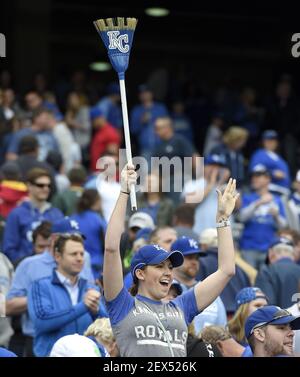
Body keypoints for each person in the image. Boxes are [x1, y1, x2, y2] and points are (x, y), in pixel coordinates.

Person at [102, 164, 238, 357]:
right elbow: (111, 248)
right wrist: (124, 190)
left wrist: (223, 220)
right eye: (159, 266)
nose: (168, 272)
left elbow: (226, 270)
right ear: (140, 273)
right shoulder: (122, 304)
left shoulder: (181, 306)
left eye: (170, 266)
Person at [5, 218, 94, 357]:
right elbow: (9, 306)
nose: (78, 256)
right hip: (42, 343)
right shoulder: (30, 264)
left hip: (80, 344)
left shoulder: (84, 258)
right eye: (69, 237)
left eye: (77, 237)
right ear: (53, 239)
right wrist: (42, 297)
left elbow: (90, 293)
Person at [28, 233, 103, 356]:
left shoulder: (90, 288)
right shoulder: (40, 286)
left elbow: (106, 324)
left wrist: (96, 311)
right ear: (57, 256)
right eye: (74, 254)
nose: (79, 258)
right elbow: (42, 321)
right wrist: (83, 306)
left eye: (82, 254)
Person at [3, 168, 64, 265]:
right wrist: (24, 265)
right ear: (29, 186)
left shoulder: (56, 214)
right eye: (40, 185)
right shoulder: (16, 214)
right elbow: (9, 248)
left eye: (48, 185)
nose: (46, 189)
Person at [171, 236, 227, 337]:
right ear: (175, 260)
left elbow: (223, 330)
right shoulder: (165, 289)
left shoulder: (209, 289)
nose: (194, 262)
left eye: (197, 258)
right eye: (189, 257)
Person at [239, 164, 287, 269]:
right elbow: (242, 218)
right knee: (249, 279)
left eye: (258, 176)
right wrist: (258, 203)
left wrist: (276, 215)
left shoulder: (277, 200)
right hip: (248, 246)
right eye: (253, 176)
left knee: (267, 280)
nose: (254, 179)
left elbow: (284, 226)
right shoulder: (248, 197)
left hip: (269, 247)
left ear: (268, 179)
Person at [197, 227, 251, 315]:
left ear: (204, 245)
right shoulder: (238, 268)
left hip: (213, 315)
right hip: (237, 316)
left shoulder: (201, 263)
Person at [71, 189, 107, 279]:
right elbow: (108, 242)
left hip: (74, 263)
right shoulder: (98, 220)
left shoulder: (72, 219)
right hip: (96, 267)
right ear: (96, 201)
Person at [255, 237, 300, 308]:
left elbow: (266, 305)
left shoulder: (267, 271)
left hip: (280, 318)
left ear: (270, 254)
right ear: (293, 254)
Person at [249, 130, 291, 196]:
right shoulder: (259, 154)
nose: (271, 143)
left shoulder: (279, 157)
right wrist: (273, 173)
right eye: (268, 141)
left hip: (284, 191)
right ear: (263, 142)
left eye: (273, 141)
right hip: (270, 191)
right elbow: (256, 169)